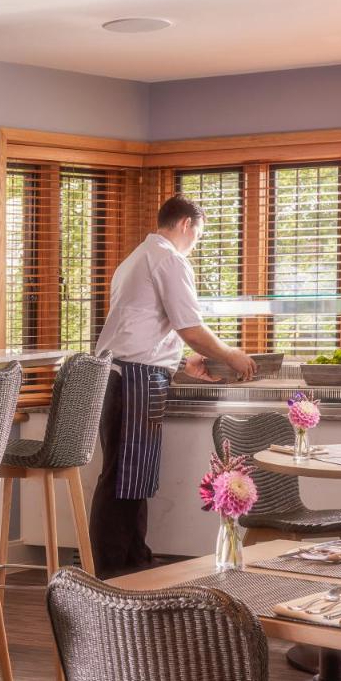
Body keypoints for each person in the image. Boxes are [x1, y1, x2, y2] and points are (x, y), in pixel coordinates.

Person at [90, 194, 257, 579]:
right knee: (122, 478)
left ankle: (134, 561)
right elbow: (190, 327)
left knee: (132, 477)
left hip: (125, 375)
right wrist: (230, 355)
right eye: (199, 234)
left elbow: (141, 328)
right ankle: (115, 569)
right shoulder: (169, 259)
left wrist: (182, 363)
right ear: (186, 224)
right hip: (134, 379)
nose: (196, 242)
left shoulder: (138, 257)